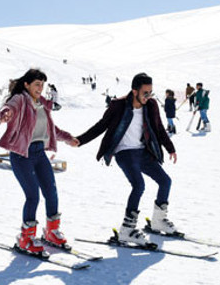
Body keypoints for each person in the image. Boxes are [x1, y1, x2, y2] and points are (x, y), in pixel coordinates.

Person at [75, 73, 177, 245]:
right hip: (124, 152)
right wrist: (80, 140)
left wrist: (170, 148)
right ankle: (127, 229)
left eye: (150, 92)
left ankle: (158, 221)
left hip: (144, 152)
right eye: (145, 92)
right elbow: (101, 126)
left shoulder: (151, 105)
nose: (148, 96)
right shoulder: (118, 105)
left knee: (165, 181)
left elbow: (158, 128)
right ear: (134, 91)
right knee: (139, 185)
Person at [0, 68, 78, 256]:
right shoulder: (20, 99)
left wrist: (68, 138)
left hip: (39, 153)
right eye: (36, 84)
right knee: (33, 195)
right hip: (21, 155)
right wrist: (6, 114)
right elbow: (8, 108)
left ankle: (51, 232)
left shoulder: (41, 104)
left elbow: (51, 129)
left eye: (42, 85)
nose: (40, 88)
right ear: (26, 84)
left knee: (51, 192)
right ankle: (26, 237)